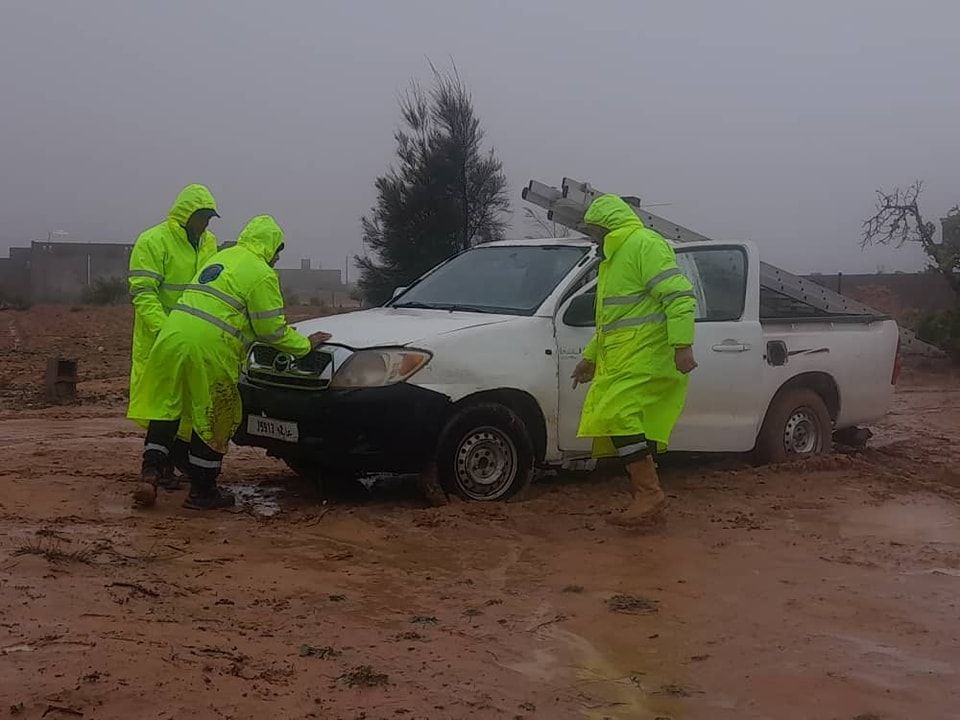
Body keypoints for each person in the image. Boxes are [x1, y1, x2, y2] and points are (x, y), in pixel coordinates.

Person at [128, 214, 330, 509]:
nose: (276, 259)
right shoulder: (261, 272)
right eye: (277, 251)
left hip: (171, 337)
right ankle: (203, 492)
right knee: (215, 414)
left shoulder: (223, 257)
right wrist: (302, 345)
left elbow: (231, 314)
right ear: (271, 246)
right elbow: (270, 330)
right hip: (209, 347)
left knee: (167, 408)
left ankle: (151, 473)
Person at [571, 195, 698, 526]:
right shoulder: (613, 259)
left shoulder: (644, 244)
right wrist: (589, 359)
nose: (591, 238)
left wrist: (682, 344)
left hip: (647, 355)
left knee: (618, 414)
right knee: (628, 420)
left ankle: (649, 494)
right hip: (625, 356)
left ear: (607, 226)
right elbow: (612, 321)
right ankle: (649, 500)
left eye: (594, 231)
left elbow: (679, 295)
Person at [128, 184, 220, 488]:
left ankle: (173, 462)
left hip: (195, 339)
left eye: (209, 218)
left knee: (190, 403)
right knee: (165, 401)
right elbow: (143, 293)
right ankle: (156, 466)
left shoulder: (210, 244)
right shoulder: (153, 241)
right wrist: (166, 330)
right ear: (186, 215)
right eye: (202, 217)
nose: (206, 224)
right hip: (161, 336)